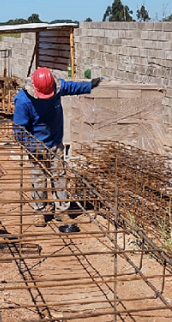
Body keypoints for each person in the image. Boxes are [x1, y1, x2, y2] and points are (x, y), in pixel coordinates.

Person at [13, 67, 102, 227]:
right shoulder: (23, 100)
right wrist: (33, 148)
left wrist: (90, 86)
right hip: (36, 146)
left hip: (55, 142)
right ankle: (39, 213)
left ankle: (62, 211)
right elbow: (19, 131)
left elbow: (71, 87)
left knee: (60, 177)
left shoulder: (55, 87)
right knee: (39, 180)